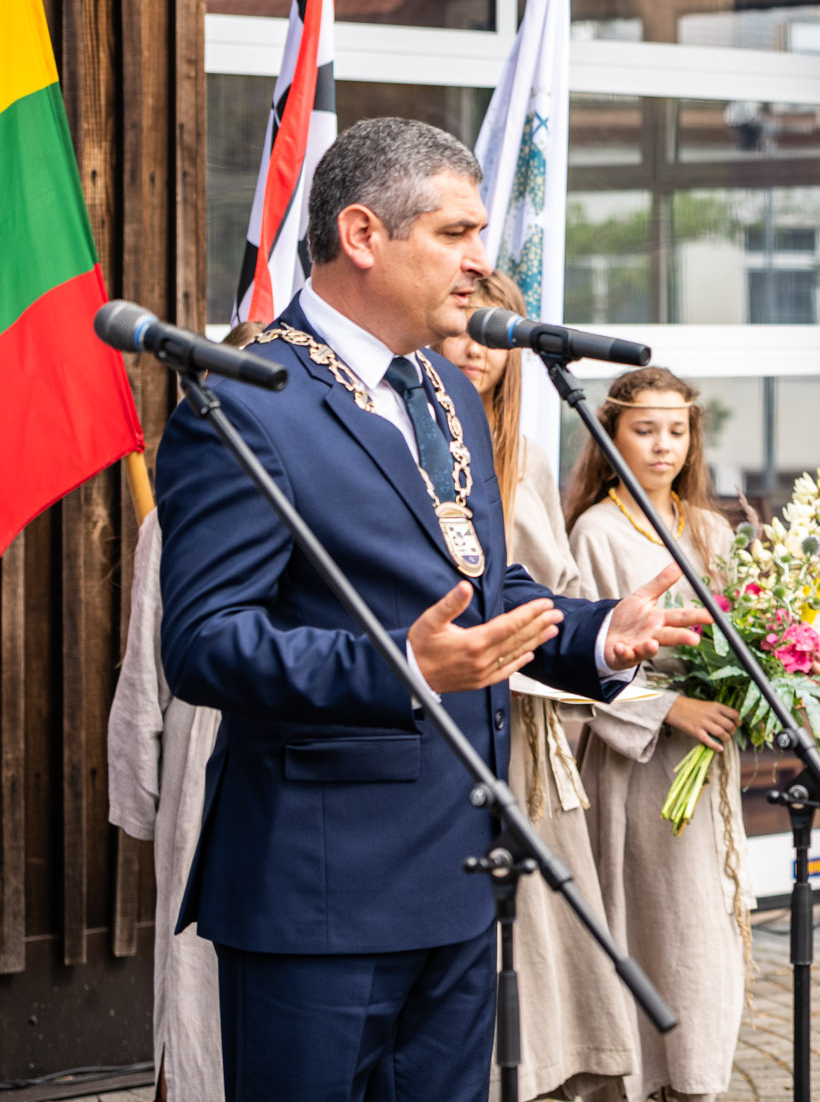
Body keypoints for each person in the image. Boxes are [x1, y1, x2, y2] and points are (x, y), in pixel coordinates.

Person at [154, 117, 710, 1102]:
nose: (479, 260)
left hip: (459, 876)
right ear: (363, 235)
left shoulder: (444, 390)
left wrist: (595, 634)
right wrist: (403, 667)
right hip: (318, 889)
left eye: (479, 233)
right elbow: (205, 643)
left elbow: (484, 587)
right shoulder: (245, 402)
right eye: (455, 233)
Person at [433, 270, 638, 1101]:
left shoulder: (523, 458)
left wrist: (596, 632)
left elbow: (547, 590)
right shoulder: (415, 443)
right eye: (462, 330)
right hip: (449, 708)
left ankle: (543, 1072)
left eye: (494, 335)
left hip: (527, 721)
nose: (475, 350)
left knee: (541, 929)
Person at [566, 367, 751, 1102]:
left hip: (704, 762)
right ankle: (644, 1078)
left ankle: (699, 1075)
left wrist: (754, 678)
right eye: (645, 430)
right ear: (612, 435)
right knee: (654, 923)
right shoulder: (595, 531)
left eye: (677, 430)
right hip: (636, 767)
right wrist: (670, 708)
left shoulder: (711, 528)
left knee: (706, 924)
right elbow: (579, 664)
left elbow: (745, 629)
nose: (663, 445)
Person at [106, 322, 260, 1102]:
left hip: (301, 744)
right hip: (202, 750)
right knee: (195, 964)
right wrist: (145, 796)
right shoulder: (172, 517)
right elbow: (146, 668)